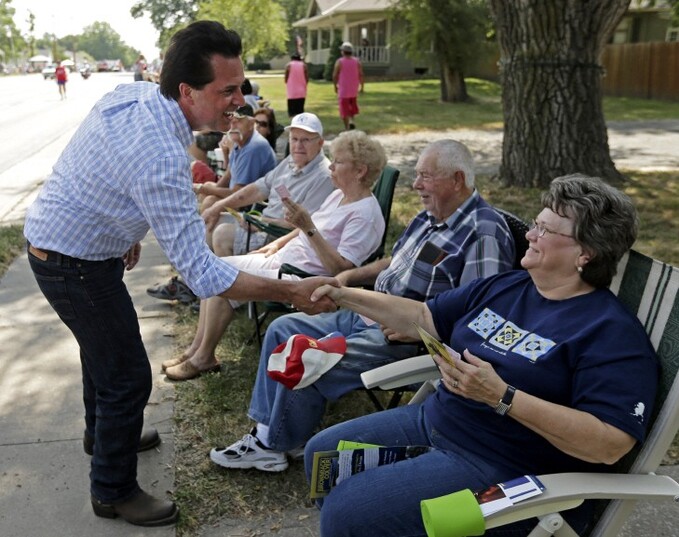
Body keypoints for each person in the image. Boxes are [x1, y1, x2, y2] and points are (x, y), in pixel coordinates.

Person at [23, 21, 336, 528]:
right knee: (127, 378)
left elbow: (99, 164)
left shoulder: (135, 96)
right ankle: (112, 489)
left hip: (73, 247)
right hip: (70, 262)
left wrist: (123, 230)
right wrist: (290, 291)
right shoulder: (163, 157)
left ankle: (103, 436)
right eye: (227, 91)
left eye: (241, 87)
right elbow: (204, 274)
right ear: (186, 91)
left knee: (100, 352)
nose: (240, 102)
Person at [303, 174, 659, 537]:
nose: (531, 235)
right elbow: (424, 317)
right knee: (323, 457)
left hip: (508, 469)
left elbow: (610, 444)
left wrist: (503, 397)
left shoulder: (610, 334)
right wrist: (342, 293)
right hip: (437, 421)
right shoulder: (510, 285)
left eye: (546, 230)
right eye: (536, 224)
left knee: (349, 513)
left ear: (586, 253)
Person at [209, 139, 516, 472]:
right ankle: (274, 435)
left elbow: (483, 317)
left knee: (308, 354)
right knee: (283, 327)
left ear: (457, 180)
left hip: (405, 340)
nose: (415, 185)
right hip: (369, 311)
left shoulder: (483, 232)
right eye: (416, 176)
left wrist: (418, 332)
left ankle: (272, 443)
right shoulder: (433, 215)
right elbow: (394, 261)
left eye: (425, 177)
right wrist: (351, 276)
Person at [164, 130, 388, 381]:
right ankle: (195, 350)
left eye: (338, 161)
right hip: (281, 260)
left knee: (224, 280)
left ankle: (203, 358)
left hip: (303, 278)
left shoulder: (365, 215)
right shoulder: (339, 195)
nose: (331, 166)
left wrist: (307, 227)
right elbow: (306, 230)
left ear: (360, 171)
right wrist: (278, 243)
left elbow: (340, 271)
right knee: (215, 267)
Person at [204, 112, 335, 258]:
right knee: (209, 221)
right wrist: (218, 206)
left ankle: (230, 279)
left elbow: (307, 226)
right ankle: (203, 276)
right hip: (261, 224)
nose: (298, 146)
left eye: (305, 140)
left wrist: (262, 222)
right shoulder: (291, 161)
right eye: (294, 139)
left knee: (222, 234)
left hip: (279, 238)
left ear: (320, 143)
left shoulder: (324, 177)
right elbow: (257, 189)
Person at [194, 104, 277, 214]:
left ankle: (203, 229)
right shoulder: (240, 141)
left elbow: (238, 194)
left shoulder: (254, 147)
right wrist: (206, 189)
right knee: (208, 187)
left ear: (251, 124)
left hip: (254, 206)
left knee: (210, 200)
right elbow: (229, 175)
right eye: (230, 121)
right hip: (241, 198)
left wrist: (201, 188)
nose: (232, 125)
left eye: (238, 121)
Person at [333, 42, 364, 130]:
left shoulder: (339, 62)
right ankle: (351, 121)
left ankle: (347, 127)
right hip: (354, 89)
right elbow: (361, 74)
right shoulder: (357, 61)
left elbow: (335, 75)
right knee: (352, 107)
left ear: (343, 51)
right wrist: (362, 87)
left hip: (343, 89)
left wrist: (335, 86)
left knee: (344, 109)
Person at [285, 53, 309, 117]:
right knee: (300, 102)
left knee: (291, 100)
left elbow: (286, 76)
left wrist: (286, 81)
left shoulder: (289, 65)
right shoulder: (304, 65)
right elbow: (306, 77)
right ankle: (300, 113)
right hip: (301, 87)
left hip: (291, 87)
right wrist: (306, 83)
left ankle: (292, 113)